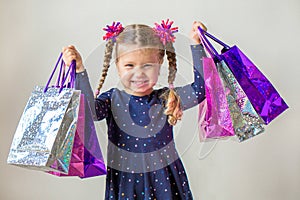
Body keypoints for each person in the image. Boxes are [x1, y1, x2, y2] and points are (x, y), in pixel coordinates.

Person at [62, 20, 207, 200]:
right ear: (117, 65)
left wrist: (197, 45)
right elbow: (90, 113)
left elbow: (201, 90)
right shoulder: (112, 99)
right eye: (129, 65)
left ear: (159, 62)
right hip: (126, 184)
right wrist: (79, 71)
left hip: (165, 183)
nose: (138, 74)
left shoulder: (166, 98)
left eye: (147, 65)